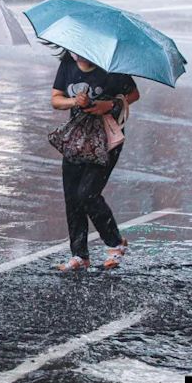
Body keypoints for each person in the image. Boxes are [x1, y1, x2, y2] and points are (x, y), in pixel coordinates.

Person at [51, 49, 139, 270]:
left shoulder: (112, 67)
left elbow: (134, 94)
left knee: (87, 194)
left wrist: (107, 105)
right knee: (72, 197)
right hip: (77, 138)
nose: (78, 54)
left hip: (107, 139)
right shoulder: (67, 65)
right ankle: (80, 255)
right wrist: (74, 102)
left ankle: (115, 243)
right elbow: (56, 99)